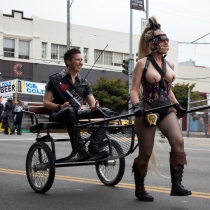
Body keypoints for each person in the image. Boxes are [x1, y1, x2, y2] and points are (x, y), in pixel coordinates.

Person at [130, 16, 191, 202]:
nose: (166, 43)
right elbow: (133, 90)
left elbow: (169, 90)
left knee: (178, 141)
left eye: (167, 40)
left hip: (166, 109)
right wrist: (137, 106)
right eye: (161, 40)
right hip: (147, 111)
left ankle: (176, 185)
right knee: (145, 153)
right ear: (151, 43)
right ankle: (140, 189)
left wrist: (178, 105)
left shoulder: (169, 64)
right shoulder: (143, 63)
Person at [43, 48, 111, 161]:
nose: (81, 62)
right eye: (78, 60)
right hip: (59, 114)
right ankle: (80, 151)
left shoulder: (84, 83)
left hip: (77, 113)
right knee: (69, 110)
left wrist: (95, 107)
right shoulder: (55, 79)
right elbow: (46, 103)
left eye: (82, 59)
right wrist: (60, 106)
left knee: (106, 111)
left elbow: (92, 104)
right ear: (68, 61)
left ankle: (94, 148)